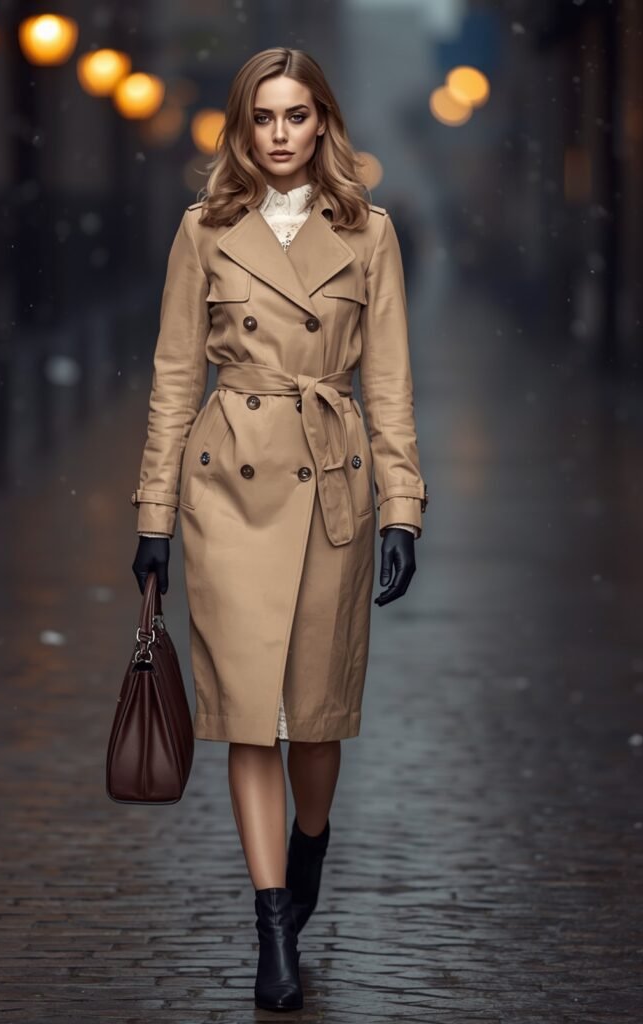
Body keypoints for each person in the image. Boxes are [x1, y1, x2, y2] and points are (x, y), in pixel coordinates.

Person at [131, 47, 427, 1013]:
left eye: (298, 115)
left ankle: (311, 844)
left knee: (317, 715)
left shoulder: (368, 233)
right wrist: (156, 517)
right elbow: (176, 379)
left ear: (323, 123)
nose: (282, 134)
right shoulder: (204, 231)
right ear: (243, 128)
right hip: (228, 491)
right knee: (246, 716)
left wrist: (402, 508)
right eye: (265, 118)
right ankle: (271, 928)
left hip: (332, 483)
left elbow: (386, 382)